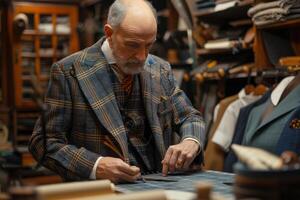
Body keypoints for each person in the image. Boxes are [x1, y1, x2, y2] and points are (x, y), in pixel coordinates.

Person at [29, 0, 205, 183]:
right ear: (109, 33)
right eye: (133, 45)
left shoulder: (160, 69)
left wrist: (191, 141)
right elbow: (43, 142)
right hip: (102, 192)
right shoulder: (69, 72)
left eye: (149, 45)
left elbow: (190, 117)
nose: (142, 57)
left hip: (160, 187)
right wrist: (96, 166)